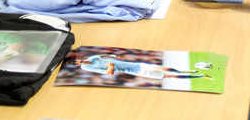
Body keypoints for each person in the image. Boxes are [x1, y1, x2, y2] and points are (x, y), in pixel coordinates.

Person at [72, 54, 213, 80]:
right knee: (170, 76)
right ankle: (202, 75)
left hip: (137, 64)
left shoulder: (91, 58)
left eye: (79, 60)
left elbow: (101, 55)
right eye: (78, 63)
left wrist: (112, 56)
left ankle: (184, 70)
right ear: (78, 65)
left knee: (162, 68)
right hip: (136, 71)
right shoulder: (87, 68)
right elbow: (109, 73)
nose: (81, 62)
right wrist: (111, 66)